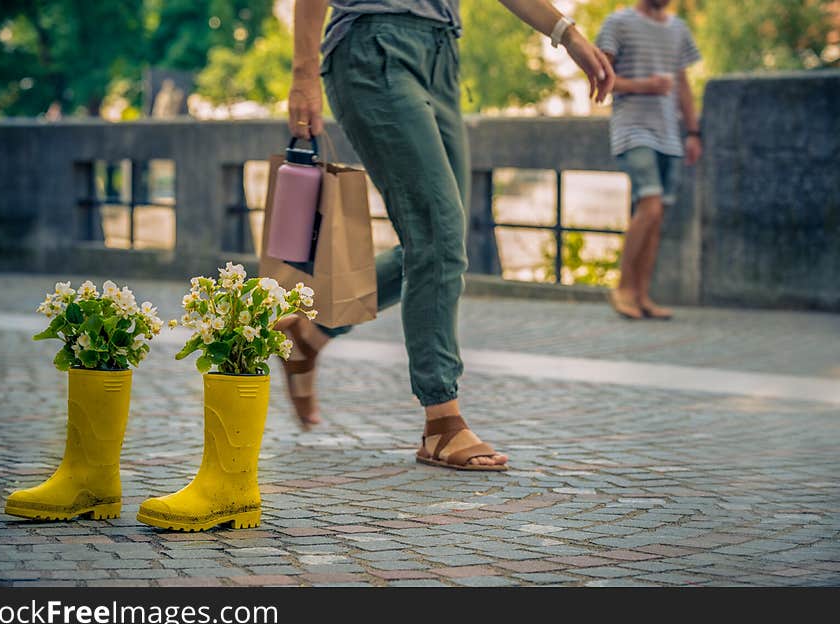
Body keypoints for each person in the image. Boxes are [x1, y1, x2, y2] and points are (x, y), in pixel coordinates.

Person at [280, 0, 614, 471]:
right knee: (436, 232)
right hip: (374, 47)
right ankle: (441, 421)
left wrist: (567, 34)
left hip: (441, 52)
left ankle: (310, 329)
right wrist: (302, 75)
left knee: (440, 242)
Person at [597, 0, 702, 320]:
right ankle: (623, 289)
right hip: (633, 129)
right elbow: (603, 76)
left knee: (657, 216)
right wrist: (645, 86)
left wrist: (694, 132)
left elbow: (682, 83)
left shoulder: (679, 29)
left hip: (669, 133)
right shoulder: (618, 23)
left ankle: (642, 295)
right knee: (650, 204)